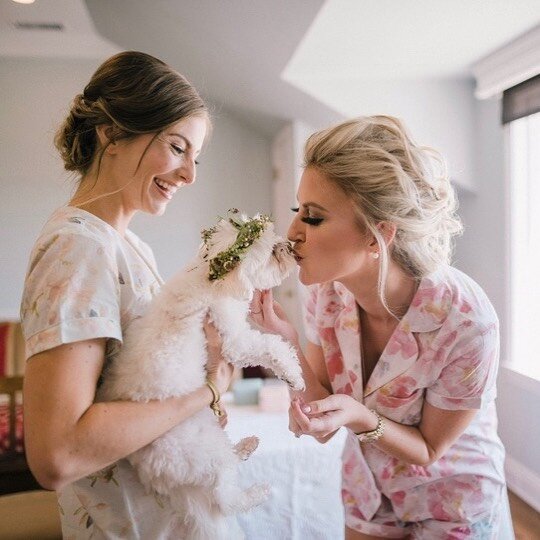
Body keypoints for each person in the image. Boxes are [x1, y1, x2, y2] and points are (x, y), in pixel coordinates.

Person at [251, 116, 512, 539]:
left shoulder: (467, 322)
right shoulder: (325, 295)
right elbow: (323, 412)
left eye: (314, 218)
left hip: (453, 501)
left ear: (377, 235)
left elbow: (429, 448)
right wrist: (286, 344)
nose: (293, 231)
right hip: (367, 494)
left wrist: (358, 416)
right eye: (298, 211)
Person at [20, 51, 234, 538]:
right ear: (112, 132)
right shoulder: (78, 248)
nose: (189, 175)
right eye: (178, 148)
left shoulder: (129, 247)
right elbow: (59, 455)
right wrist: (207, 391)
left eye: (195, 157)